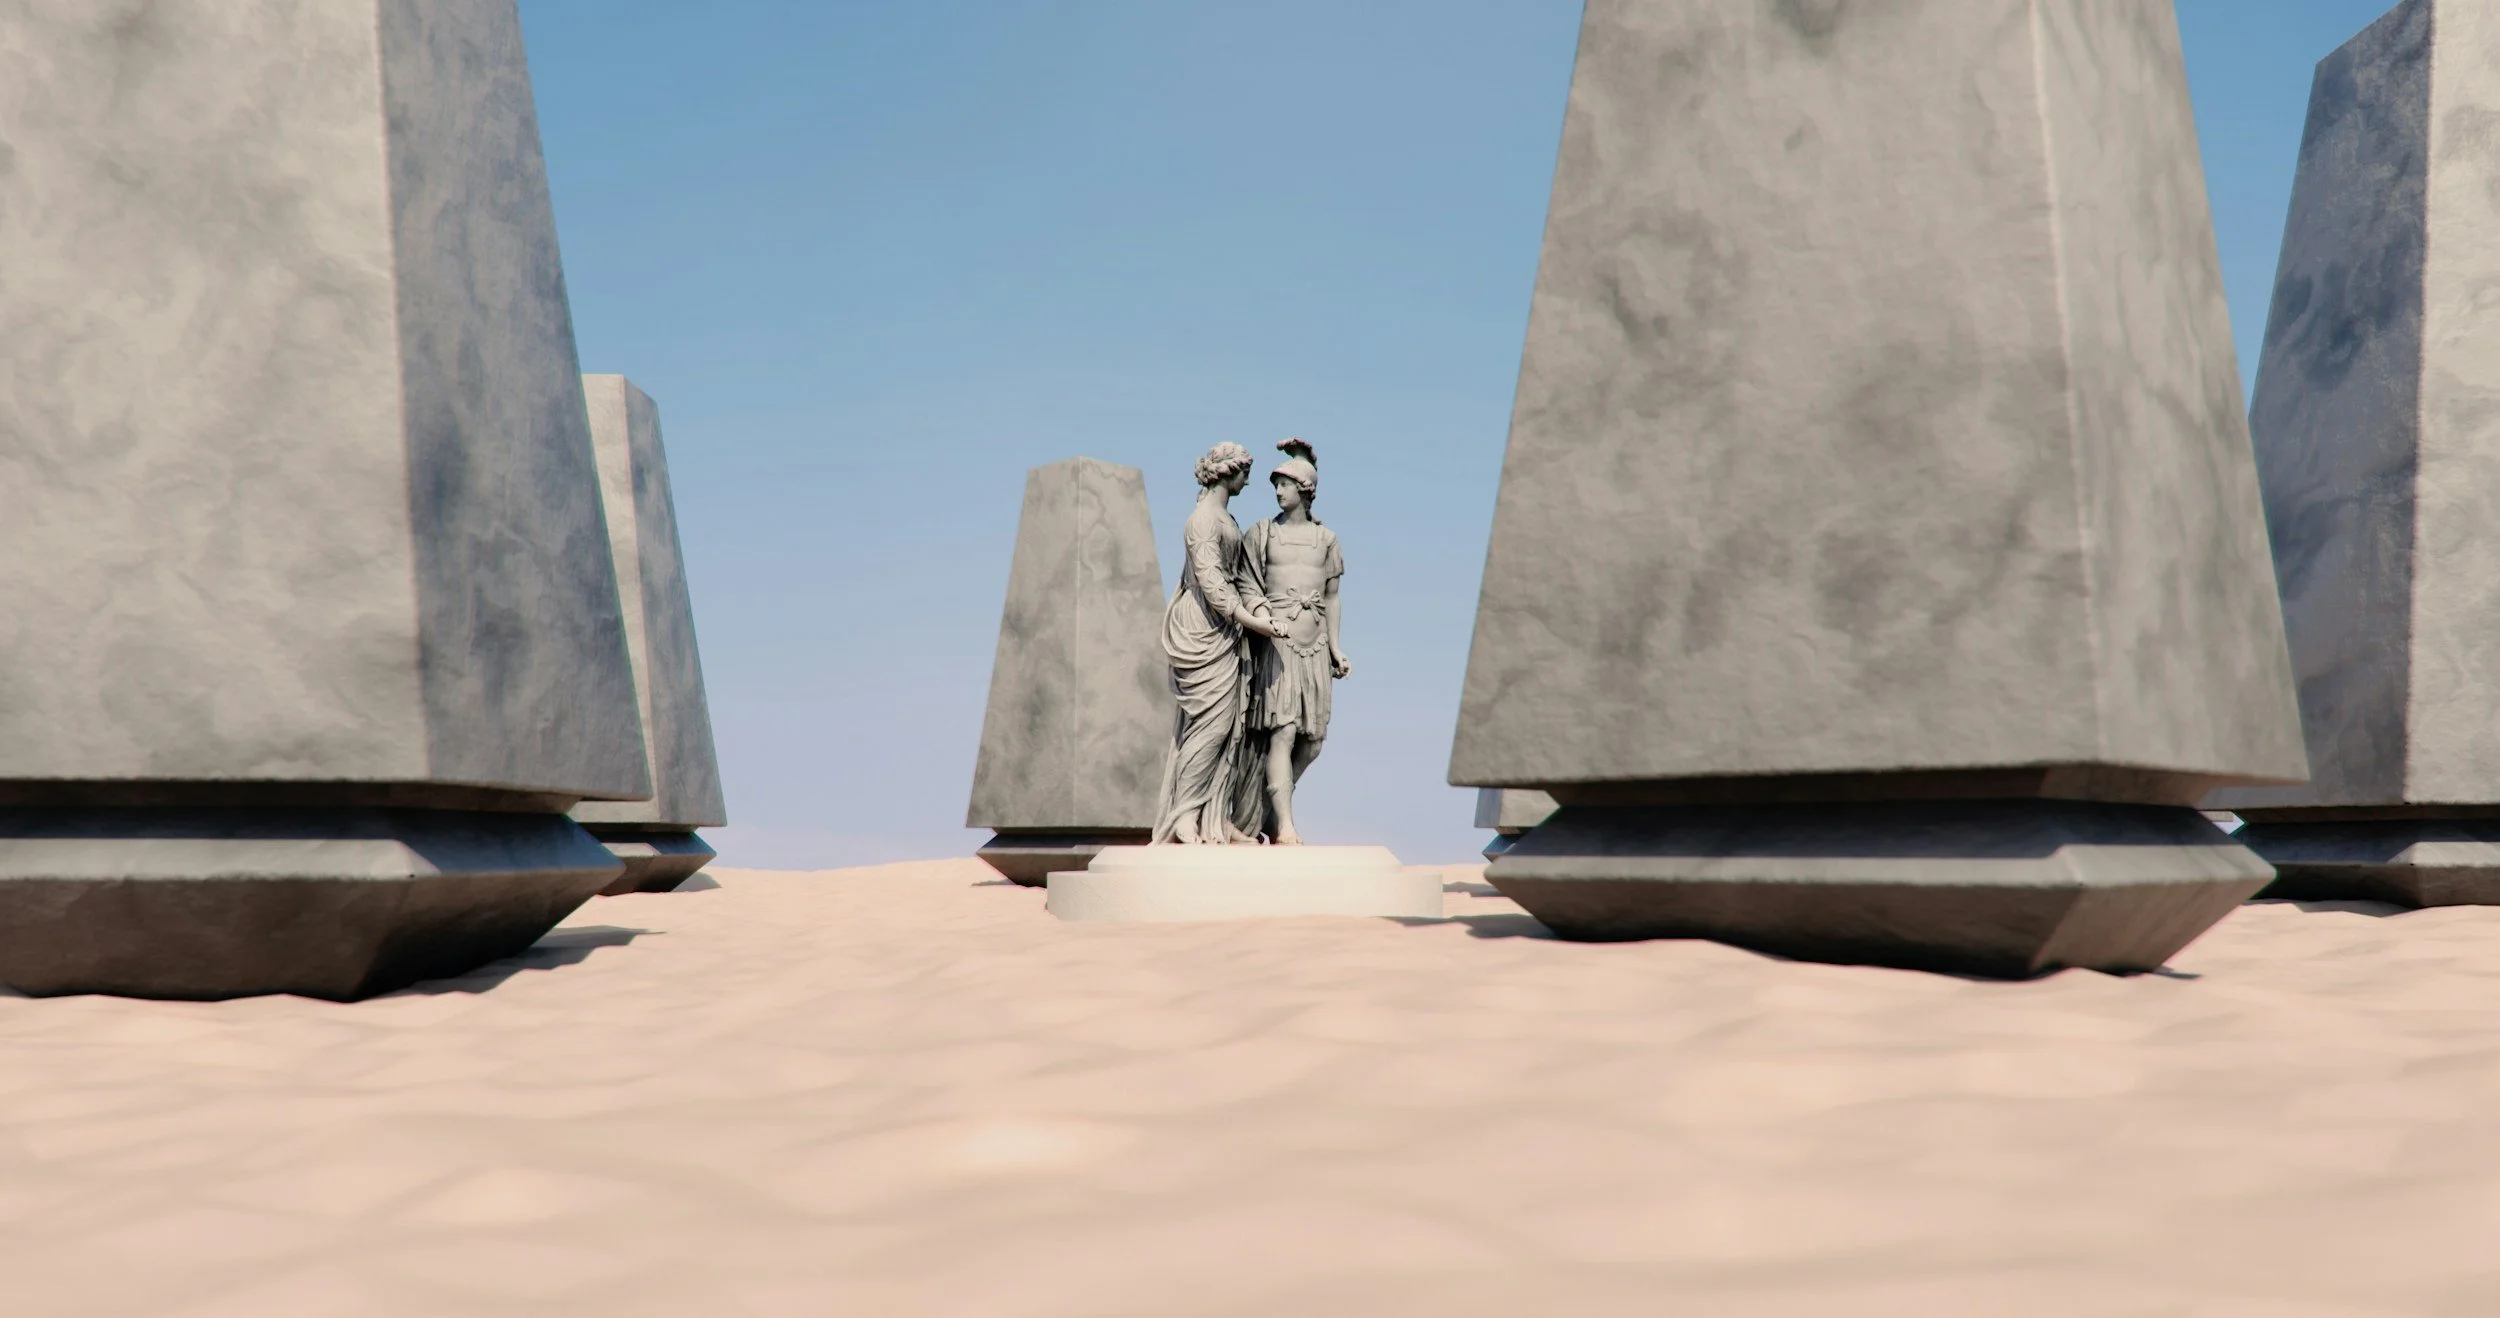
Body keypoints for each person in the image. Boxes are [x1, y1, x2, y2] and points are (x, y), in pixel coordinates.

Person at [1150, 442, 1286, 844]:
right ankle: (1184, 815)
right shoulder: (1203, 520)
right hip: (1202, 627)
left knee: (1232, 727)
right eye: (1246, 471)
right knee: (1210, 725)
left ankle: (1216, 815)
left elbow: (1240, 579)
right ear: (1229, 472)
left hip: (1227, 629)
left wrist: (1256, 615)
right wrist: (1253, 622)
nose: (1249, 479)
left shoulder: (1226, 518)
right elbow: (1212, 583)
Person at [1236, 438, 1350, 845]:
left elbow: (1333, 596)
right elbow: (1247, 584)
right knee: (1282, 732)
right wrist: (1264, 618)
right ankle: (1284, 824)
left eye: (1284, 484)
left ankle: (1269, 810)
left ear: (1304, 489)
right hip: (1278, 646)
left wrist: (1335, 647)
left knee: (1313, 741)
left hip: (1315, 645)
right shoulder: (1262, 533)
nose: (1278, 491)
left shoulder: (1327, 540)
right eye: (1276, 486)